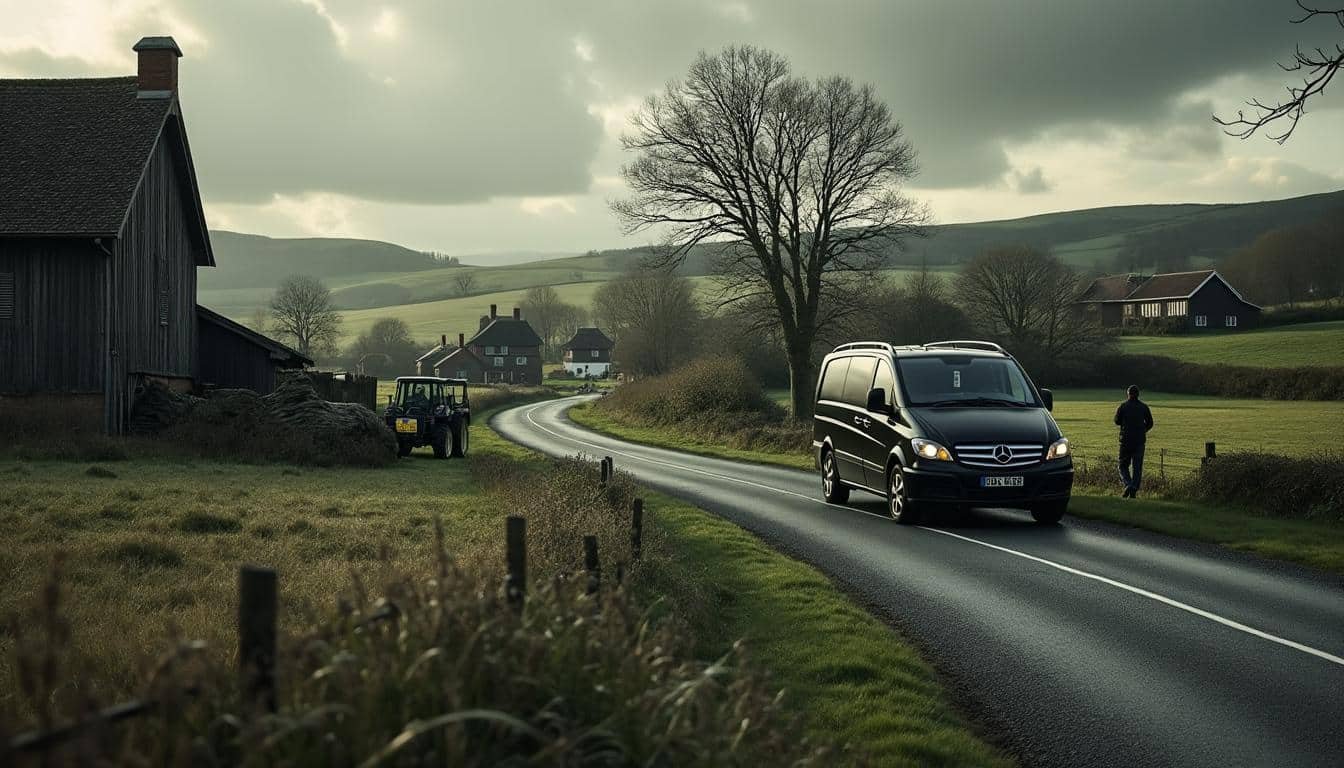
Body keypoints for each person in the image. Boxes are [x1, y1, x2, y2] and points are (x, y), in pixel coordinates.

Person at [1114, 384, 1154, 498]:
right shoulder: (1144, 407)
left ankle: (1128, 484)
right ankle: (1134, 489)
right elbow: (1150, 423)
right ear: (1138, 394)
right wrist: (1142, 430)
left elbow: (1116, 421)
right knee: (1137, 467)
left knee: (1122, 466)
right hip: (1139, 441)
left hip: (1125, 440)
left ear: (1128, 394)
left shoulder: (1123, 406)